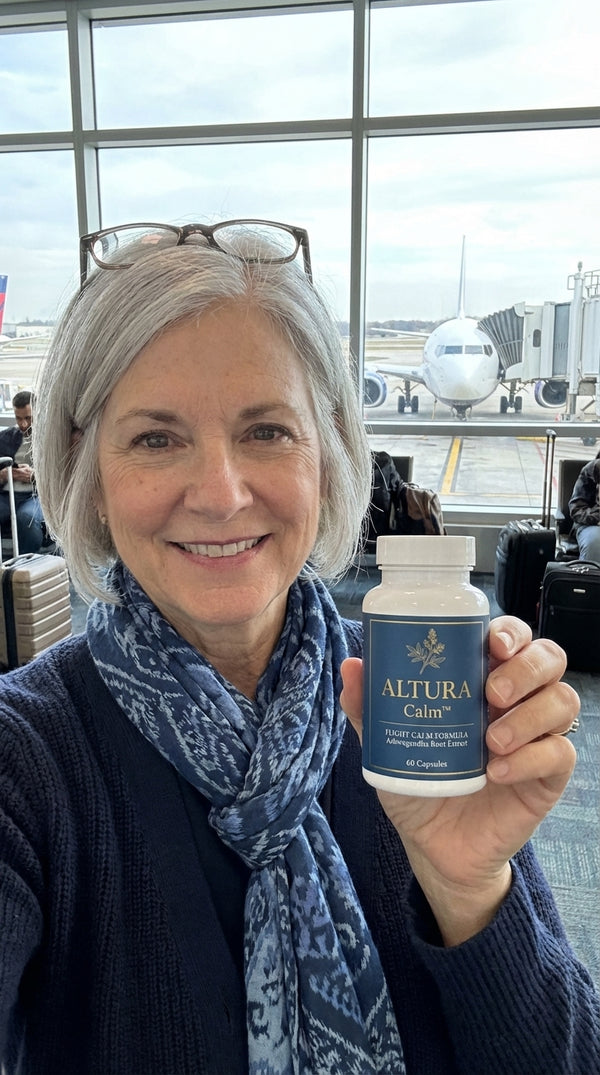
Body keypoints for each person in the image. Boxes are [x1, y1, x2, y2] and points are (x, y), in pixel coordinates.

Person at [0, 219, 597, 1075]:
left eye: (267, 431)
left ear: (330, 455)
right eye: (156, 438)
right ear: (88, 474)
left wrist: (472, 893)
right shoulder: (27, 760)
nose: (220, 493)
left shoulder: (415, 694)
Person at [0, 388, 46, 553]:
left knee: (26, 518)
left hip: (35, 495)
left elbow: (62, 475)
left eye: (28, 418)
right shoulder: (5, 437)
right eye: (18, 418)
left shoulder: (50, 439)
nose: (23, 424)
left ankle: (26, 569)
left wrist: (35, 476)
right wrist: (4, 475)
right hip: (7, 493)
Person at [568, 448, 600, 562]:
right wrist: (597, 517)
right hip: (592, 524)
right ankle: (589, 577)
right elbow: (576, 509)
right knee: (595, 544)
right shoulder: (593, 470)